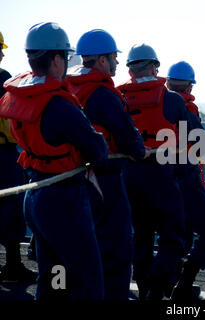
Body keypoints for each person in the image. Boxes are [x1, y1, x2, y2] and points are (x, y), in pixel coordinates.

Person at [0, 22, 109, 300]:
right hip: (64, 201)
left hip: (35, 195)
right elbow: (98, 151)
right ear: (58, 59)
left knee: (53, 276)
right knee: (89, 281)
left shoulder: (17, 95)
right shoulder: (59, 104)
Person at [66, 29, 149, 300]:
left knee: (85, 241)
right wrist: (140, 151)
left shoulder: (70, 86)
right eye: (113, 57)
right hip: (105, 177)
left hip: (75, 178)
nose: (115, 62)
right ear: (102, 59)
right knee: (118, 244)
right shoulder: (103, 93)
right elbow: (127, 137)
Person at [117, 44, 204, 300]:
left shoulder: (116, 96)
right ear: (155, 68)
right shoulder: (172, 100)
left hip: (129, 177)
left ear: (130, 69)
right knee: (174, 237)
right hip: (163, 178)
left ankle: (144, 289)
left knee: (141, 235)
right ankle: (159, 288)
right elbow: (201, 142)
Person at [166, 61, 205, 301]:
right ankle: (184, 284)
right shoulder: (187, 109)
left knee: (177, 236)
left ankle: (165, 284)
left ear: (167, 83)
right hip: (186, 180)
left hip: (158, 180)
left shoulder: (159, 105)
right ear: (189, 86)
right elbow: (202, 145)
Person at [0, 31, 37, 283]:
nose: (2, 53)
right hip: (2, 154)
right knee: (11, 207)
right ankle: (13, 266)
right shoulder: (3, 79)